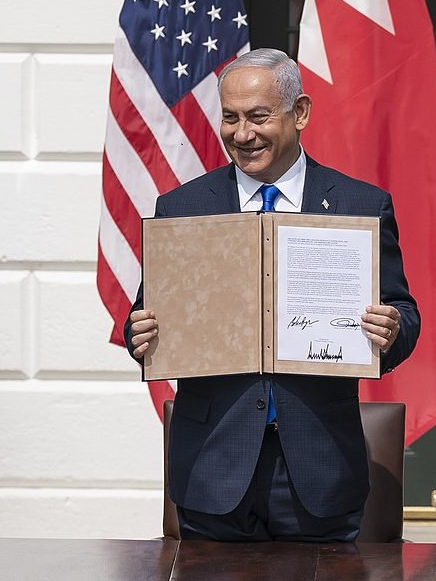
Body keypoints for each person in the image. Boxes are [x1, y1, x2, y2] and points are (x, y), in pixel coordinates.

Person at [125, 48, 419, 542]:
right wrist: (141, 333)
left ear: (299, 112)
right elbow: (146, 315)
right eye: (231, 118)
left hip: (319, 468)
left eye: (259, 117)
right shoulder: (183, 207)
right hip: (213, 468)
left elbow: (404, 314)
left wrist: (391, 329)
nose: (243, 134)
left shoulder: (358, 205)